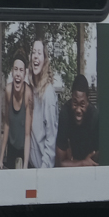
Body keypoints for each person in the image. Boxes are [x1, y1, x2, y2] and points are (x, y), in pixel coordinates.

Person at [28, 37, 61, 169]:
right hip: (31, 166)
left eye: (39, 53)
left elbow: (51, 138)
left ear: (45, 60)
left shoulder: (48, 94)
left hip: (42, 169)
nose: (36, 56)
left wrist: (44, 170)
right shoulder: (30, 87)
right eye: (33, 52)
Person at [56, 75, 101, 167]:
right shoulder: (65, 114)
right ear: (71, 98)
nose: (78, 110)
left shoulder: (94, 116)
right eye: (75, 103)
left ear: (88, 102)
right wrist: (83, 163)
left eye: (82, 104)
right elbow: (60, 162)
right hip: (72, 168)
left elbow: (98, 154)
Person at [0, 51, 33, 170]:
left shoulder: (28, 94)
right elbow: (7, 124)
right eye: (15, 69)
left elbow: (28, 134)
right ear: (12, 72)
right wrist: (0, 159)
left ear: (25, 74)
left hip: (24, 146)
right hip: (12, 145)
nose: (18, 74)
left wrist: (25, 167)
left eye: (21, 70)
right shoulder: (8, 91)